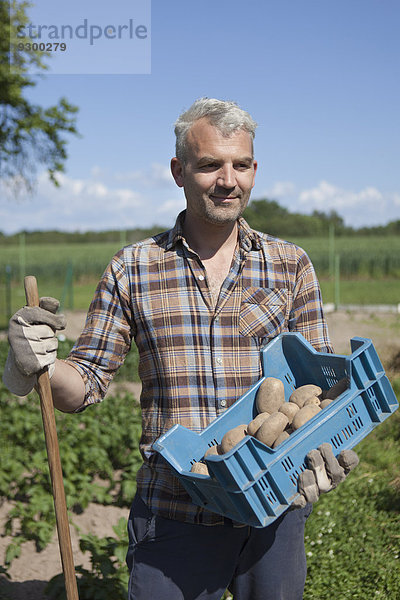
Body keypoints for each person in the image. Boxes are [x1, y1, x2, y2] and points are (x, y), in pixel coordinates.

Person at [3, 98, 358, 600]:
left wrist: (327, 451)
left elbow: (319, 391)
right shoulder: (135, 268)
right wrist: (37, 363)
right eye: (210, 164)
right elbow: (83, 383)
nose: (227, 179)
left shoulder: (290, 264)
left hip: (274, 510)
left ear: (255, 170)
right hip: (173, 516)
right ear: (179, 170)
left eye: (240, 165)